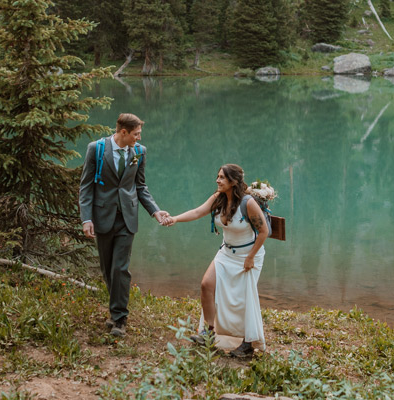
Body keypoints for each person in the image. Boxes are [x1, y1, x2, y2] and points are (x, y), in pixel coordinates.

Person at [79, 113, 171, 337]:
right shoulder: (96, 149)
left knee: (120, 268)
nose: (138, 139)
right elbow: (86, 186)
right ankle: (115, 311)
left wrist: (155, 211)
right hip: (103, 216)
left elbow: (140, 187)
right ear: (123, 132)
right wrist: (87, 219)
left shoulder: (139, 152)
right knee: (107, 268)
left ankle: (120, 318)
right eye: (136, 134)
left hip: (127, 217)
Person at [164, 163, 268, 357]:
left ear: (233, 182)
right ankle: (208, 333)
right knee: (206, 285)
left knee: (243, 300)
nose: (217, 180)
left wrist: (251, 257)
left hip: (249, 255)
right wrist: (175, 219)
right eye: (218, 176)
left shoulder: (248, 203)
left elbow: (264, 232)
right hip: (226, 253)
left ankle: (247, 344)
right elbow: (197, 212)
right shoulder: (218, 199)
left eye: (221, 177)